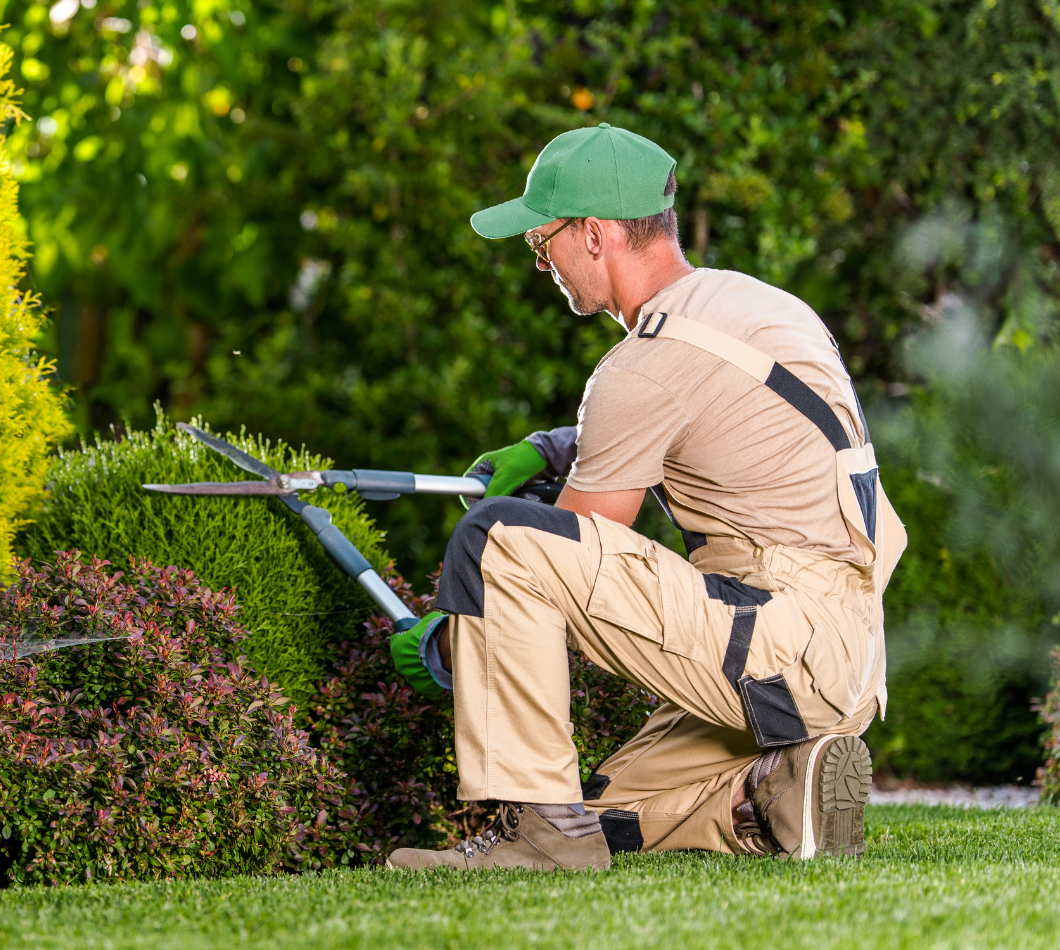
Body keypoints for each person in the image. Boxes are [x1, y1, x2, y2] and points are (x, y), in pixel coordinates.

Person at [384, 124, 906, 871]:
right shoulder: (753, 306)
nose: (541, 260)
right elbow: (715, 421)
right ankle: (771, 789)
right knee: (600, 809)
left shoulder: (644, 364)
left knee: (497, 539)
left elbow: (563, 564)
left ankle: (545, 843)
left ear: (594, 235)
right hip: (843, 656)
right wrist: (555, 447)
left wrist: (447, 642)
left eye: (543, 240)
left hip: (779, 647)